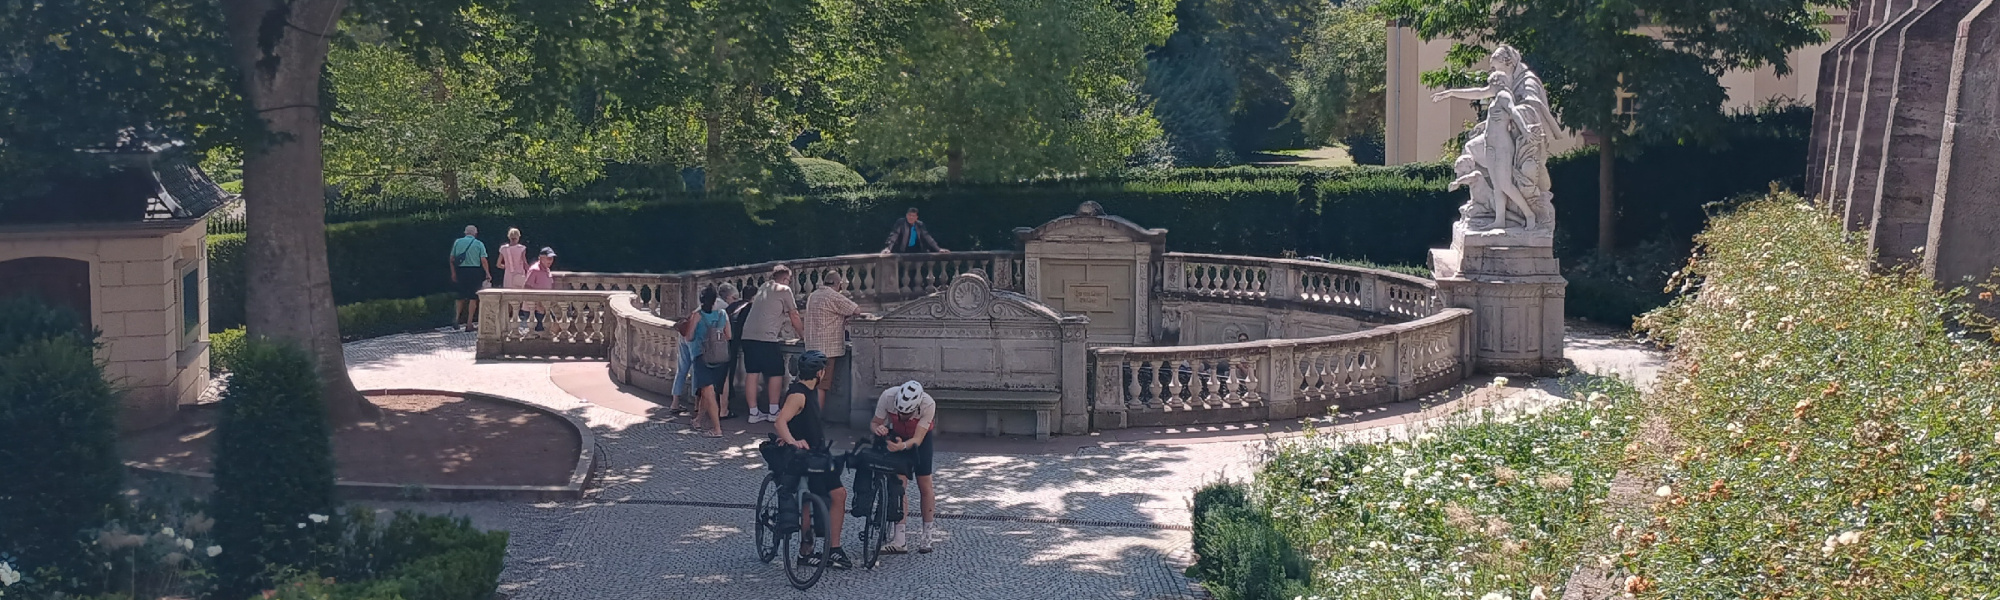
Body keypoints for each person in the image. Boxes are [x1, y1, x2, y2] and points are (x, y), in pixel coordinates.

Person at [773, 350, 851, 569]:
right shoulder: (799, 395)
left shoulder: (809, 391)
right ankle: (811, 551)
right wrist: (792, 441)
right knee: (817, 497)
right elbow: (780, 421)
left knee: (833, 495)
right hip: (805, 458)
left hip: (817, 455)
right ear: (820, 373)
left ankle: (831, 548)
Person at [871, 381, 939, 554]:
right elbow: (875, 422)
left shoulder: (928, 404)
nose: (901, 416)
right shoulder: (887, 396)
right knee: (898, 486)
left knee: (925, 485)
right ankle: (899, 539)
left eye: (906, 414)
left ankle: (927, 536)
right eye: (899, 412)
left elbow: (918, 439)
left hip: (920, 441)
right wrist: (878, 429)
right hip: (898, 436)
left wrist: (901, 447)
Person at [741, 264, 804, 423]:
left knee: (752, 373)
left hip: (747, 336)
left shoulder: (764, 287)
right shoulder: (784, 290)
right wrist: (803, 335)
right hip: (766, 338)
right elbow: (794, 315)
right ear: (785, 279)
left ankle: (753, 413)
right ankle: (773, 410)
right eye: (789, 280)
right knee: (776, 372)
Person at [803, 271, 867, 406]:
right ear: (839, 284)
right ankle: (816, 416)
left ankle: (806, 414)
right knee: (821, 385)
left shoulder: (813, 295)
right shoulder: (833, 296)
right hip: (827, 350)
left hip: (810, 347)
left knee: (809, 384)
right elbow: (856, 310)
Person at [684, 286, 731, 438]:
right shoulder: (722, 314)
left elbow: (689, 337)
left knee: (708, 391)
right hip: (720, 356)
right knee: (707, 390)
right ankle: (698, 420)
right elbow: (729, 335)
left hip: (702, 355)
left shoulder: (697, 316)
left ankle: (717, 429)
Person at [448, 225, 491, 332]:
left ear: (465, 232)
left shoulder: (457, 242)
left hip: (460, 271)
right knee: (473, 298)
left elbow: (452, 259)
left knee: (460, 296)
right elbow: (483, 260)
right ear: (475, 233)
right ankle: (469, 323)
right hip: (474, 272)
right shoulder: (479, 243)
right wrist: (487, 273)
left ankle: (456, 318)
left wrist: (453, 273)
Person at [714, 282, 744, 420]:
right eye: (734, 298)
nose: (736, 301)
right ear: (727, 297)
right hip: (721, 347)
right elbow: (729, 334)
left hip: (705, 347)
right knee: (724, 377)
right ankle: (723, 409)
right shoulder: (725, 309)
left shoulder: (709, 305)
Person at [521, 247, 557, 336]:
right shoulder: (534, 270)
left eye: (552, 258)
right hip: (534, 309)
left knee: (554, 327)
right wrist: (537, 305)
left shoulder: (547, 270)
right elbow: (527, 287)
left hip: (545, 306)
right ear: (541, 258)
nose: (550, 261)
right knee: (540, 333)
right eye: (548, 258)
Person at [881, 207, 947, 254]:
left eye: (913, 216)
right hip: (902, 250)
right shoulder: (901, 223)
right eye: (909, 215)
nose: (911, 217)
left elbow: (927, 237)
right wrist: (888, 248)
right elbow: (894, 235)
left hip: (917, 250)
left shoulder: (920, 224)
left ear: (916, 217)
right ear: (906, 215)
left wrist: (938, 249)